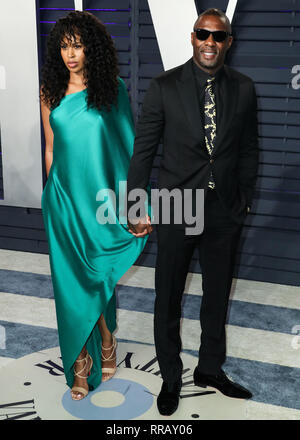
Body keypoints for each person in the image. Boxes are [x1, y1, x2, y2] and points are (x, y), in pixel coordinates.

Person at [127, 8, 259, 415]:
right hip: (175, 205)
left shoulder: (244, 87)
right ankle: (170, 377)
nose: (210, 42)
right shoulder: (164, 86)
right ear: (192, 37)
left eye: (218, 37)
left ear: (228, 43)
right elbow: (144, 152)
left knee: (216, 296)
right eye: (203, 34)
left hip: (223, 211)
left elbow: (250, 148)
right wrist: (136, 206)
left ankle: (209, 369)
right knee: (168, 296)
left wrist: (244, 199)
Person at [40, 11, 148, 401]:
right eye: (64, 45)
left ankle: (105, 337)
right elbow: (51, 148)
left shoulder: (112, 90)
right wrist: (51, 194)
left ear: (92, 48)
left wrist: (137, 205)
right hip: (64, 204)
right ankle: (80, 365)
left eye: (78, 44)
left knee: (97, 276)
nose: (71, 54)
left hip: (100, 205)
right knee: (70, 285)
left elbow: (129, 150)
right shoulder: (49, 93)